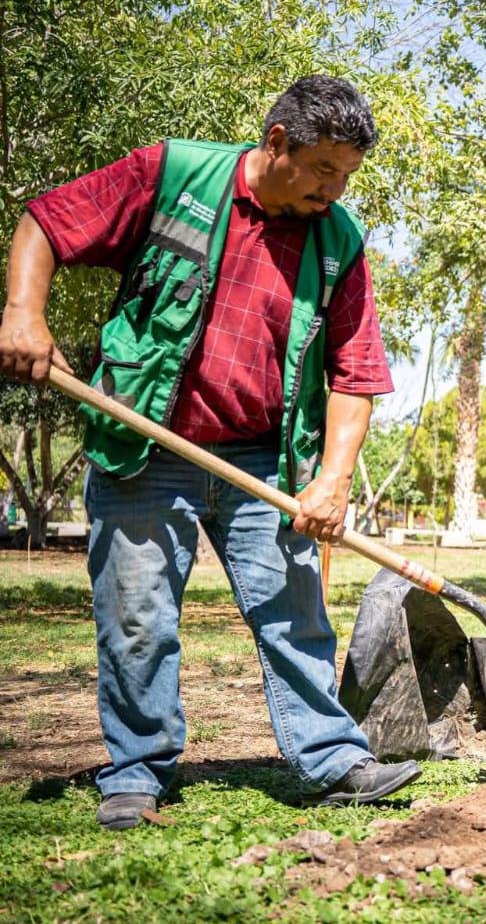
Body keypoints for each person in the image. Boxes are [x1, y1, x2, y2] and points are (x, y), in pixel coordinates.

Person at [0, 76, 421, 829]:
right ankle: (136, 772)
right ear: (277, 142)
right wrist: (23, 312)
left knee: (295, 612)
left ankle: (331, 758)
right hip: (145, 443)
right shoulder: (173, 175)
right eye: (324, 169)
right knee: (137, 618)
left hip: (265, 461)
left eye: (347, 175)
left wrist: (331, 480)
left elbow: (355, 374)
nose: (334, 189)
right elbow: (48, 222)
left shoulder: (338, 241)